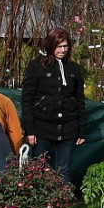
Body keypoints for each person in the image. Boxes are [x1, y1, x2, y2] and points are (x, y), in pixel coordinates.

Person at [21, 27, 86, 185]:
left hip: (68, 126)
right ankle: (39, 205)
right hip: (42, 126)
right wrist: (30, 130)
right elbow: (27, 99)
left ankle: (61, 206)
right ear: (50, 46)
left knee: (63, 169)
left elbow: (79, 100)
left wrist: (81, 130)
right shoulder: (36, 66)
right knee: (39, 168)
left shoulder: (74, 69)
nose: (62, 50)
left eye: (65, 46)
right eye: (59, 46)